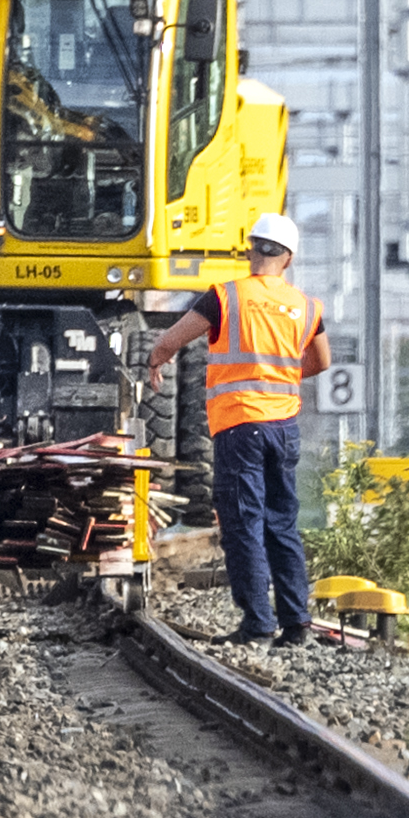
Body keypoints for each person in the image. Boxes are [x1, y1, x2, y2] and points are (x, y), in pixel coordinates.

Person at [143, 214, 331, 644]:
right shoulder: (306, 306)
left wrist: (156, 358)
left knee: (243, 521)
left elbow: (171, 340)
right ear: (288, 259)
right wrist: (278, 376)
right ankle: (296, 622)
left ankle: (258, 623)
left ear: (252, 249)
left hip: (239, 425)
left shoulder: (226, 296)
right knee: (281, 522)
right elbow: (321, 361)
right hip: (283, 427)